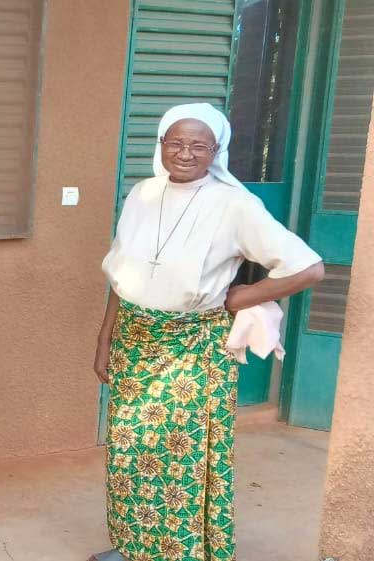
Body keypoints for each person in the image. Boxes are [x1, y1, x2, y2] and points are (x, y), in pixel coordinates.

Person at [91, 103, 324, 561]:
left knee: (179, 458)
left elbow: (308, 268)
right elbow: (120, 277)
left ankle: (182, 552)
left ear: (217, 151)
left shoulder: (234, 205)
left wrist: (244, 296)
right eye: (175, 142)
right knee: (129, 451)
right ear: (161, 144)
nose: (185, 153)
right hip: (134, 341)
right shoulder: (141, 195)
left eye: (199, 145)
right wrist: (105, 340)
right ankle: (135, 546)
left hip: (193, 347)